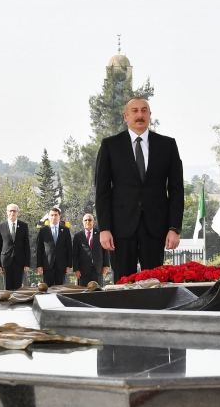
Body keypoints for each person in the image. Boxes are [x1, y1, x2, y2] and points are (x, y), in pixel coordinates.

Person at [94, 97, 184, 280]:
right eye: (134, 111)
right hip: (120, 230)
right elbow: (102, 191)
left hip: (155, 228)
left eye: (144, 110)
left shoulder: (167, 145)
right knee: (122, 284)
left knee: (155, 285)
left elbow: (176, 190)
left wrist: (174, 228)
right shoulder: (110, 146)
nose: (140, 114)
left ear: (150, 115)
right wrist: (104, 228)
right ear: (125, 116)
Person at [0, 203, 31, 290]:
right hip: (6, 261)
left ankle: (18, 303)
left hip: (20, 261)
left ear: (17, 212)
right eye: (10, 211)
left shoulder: (24, 226)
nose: (12, 213)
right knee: (7, 287)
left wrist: (27, 263)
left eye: (14, 211)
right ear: (7, 212)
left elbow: (27, 245)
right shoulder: (1, 226)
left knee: (18, 287)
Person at [36, 207, 72, 286]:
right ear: (48, 217)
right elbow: (39, 249)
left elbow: (69, 248)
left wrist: (69, 265)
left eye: (56, 215)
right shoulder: (43, 231)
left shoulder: (65, 230)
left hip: (61, 265)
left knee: (60, 289)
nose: (54, 217)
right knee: (48, 290)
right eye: (52, 215)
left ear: (59, 216)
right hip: (47, 265)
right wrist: (39, 265)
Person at [72, 213, 110, 286]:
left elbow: (105, 251)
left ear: (93, 222)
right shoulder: (78, 236)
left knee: (98, 292)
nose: (87, 222)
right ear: (82, 222)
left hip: (98, 269)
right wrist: (76, 269)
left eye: (89, 220)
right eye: (85, 220)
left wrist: (106, 265)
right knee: (83, 293)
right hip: (83, 271)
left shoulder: (100, 234)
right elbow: (75, 254)